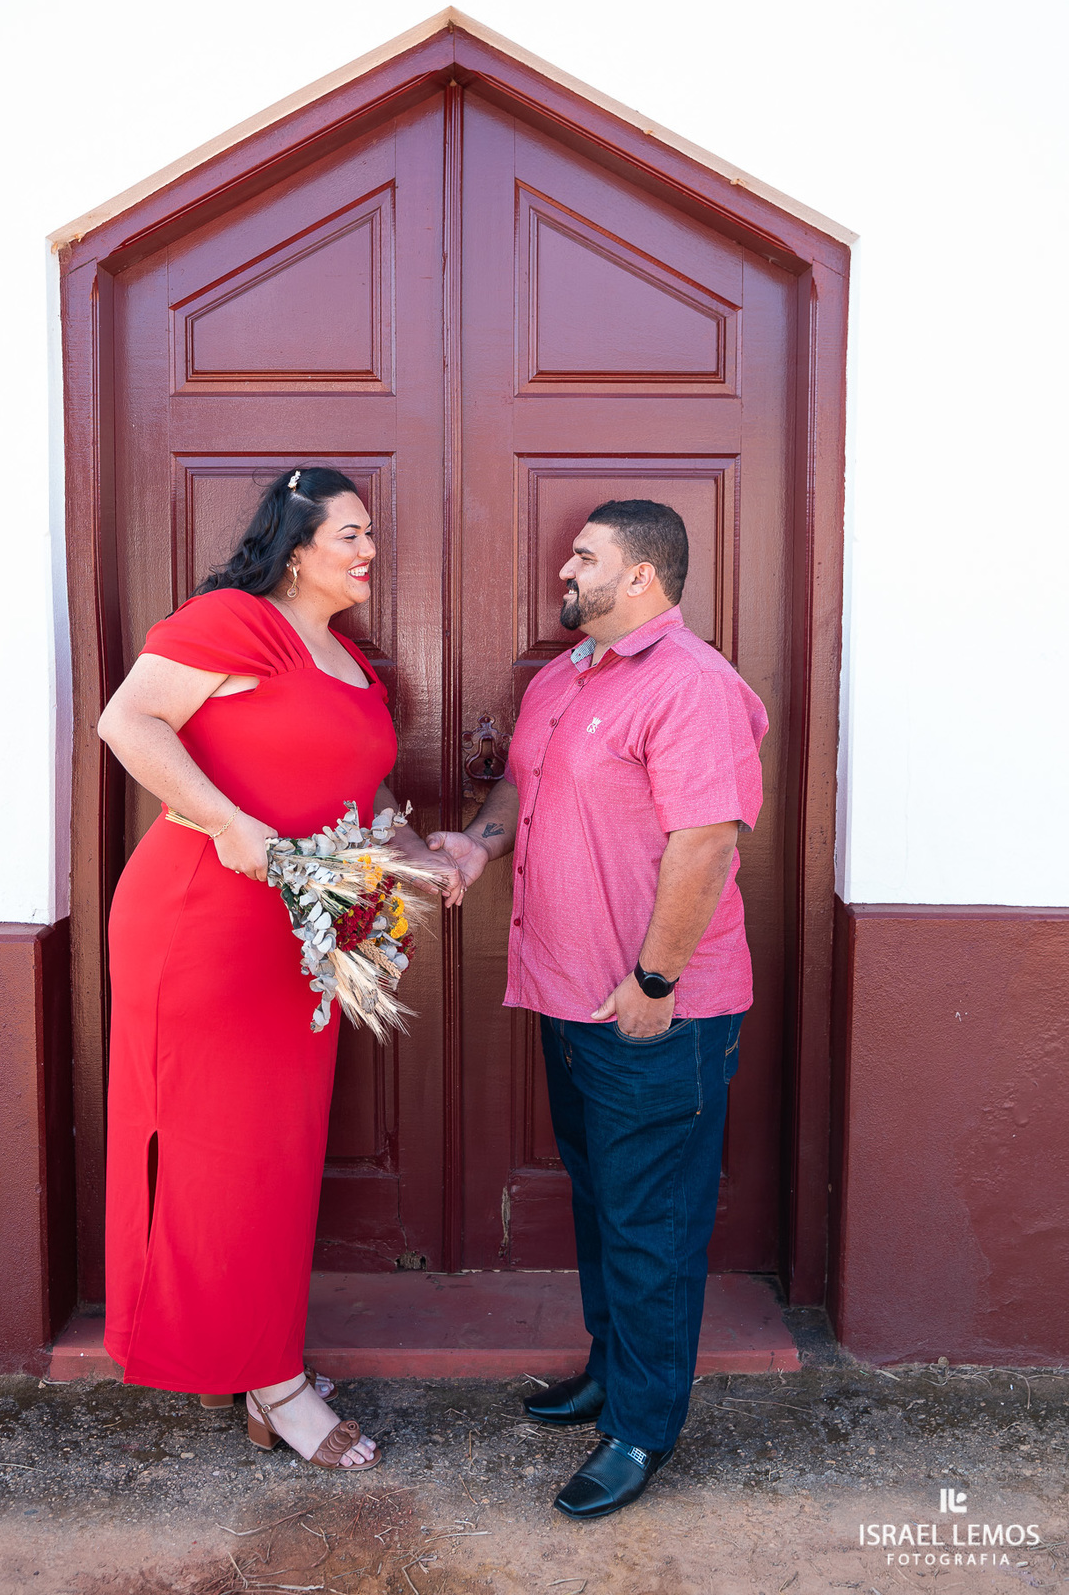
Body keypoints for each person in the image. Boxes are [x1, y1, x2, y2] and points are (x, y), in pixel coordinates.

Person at [97, 466, 461, 1472]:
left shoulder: (355, 665)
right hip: (203, 921)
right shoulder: (232, 623)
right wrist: (228, 821)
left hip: (305, 932)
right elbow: (129, 722)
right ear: (296, 544)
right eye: (351, 534)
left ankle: (264, 1351)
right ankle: (271, 1384)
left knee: (279, 1151)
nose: (368, 551)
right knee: (222, 1151)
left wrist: (414, 852)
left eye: (371, 535)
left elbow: (365, 789)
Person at [428, 499, 768, 1518]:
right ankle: (612, 1373)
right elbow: (521, 792)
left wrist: (656, 983)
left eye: (585, 557)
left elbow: (707, 844)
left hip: (656, 1007)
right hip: (569, 995)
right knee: (601, 1198)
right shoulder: (561, 680)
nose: (562, 571)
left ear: (645, 579)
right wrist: (478, 846)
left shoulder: (695, 687)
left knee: (652, 1220)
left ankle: (641, 1430)